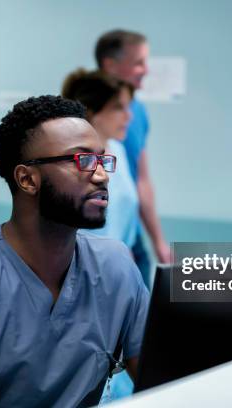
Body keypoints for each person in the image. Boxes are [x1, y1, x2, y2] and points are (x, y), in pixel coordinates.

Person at [0, 95, 149, 407]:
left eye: (102, 160)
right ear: (27, 179)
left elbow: (165, 385)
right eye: (82, 161)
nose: (101, 175)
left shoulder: (116, 267)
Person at [95, 29, 171, 282]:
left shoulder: (137, 112)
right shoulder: (80, 114)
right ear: (110, 65)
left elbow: (142, 179)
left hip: (128, 234)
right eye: (138, 62)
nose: (145, 70)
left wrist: (157, 240)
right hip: (96, 238)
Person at [62, 68, 137, 248]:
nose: (129, 116)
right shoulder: (74, 158)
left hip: (115, 258)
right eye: (118, 107)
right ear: (91, 112)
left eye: (128, 107)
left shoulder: (118, 150)